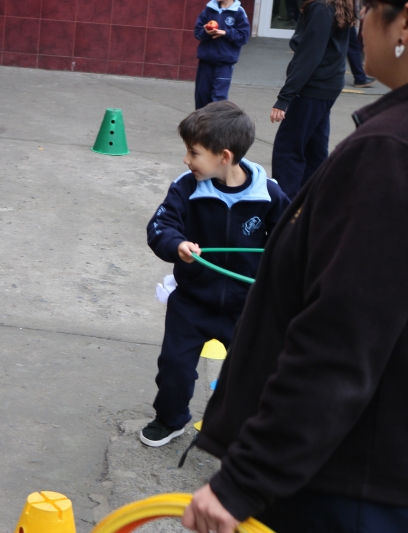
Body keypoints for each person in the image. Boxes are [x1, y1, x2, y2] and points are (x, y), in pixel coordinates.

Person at [182, 0, 408, 531]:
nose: (361, 21)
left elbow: (341, 335)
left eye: (371, 7)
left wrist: (246, 479)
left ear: (404, 24)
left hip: (351, 480)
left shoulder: (388, 151)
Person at [141, 101, 289, 447]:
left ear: (224, 156)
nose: (186, 160)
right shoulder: (186, 188)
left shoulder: (267, 193)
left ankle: (244, 430)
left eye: (194, 153)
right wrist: (177, 244)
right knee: (174, 366)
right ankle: (170, 419)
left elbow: (290, 238)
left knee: (252, 373)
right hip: (192, 301)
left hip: (246, 304)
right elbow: (160, 226)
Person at [269, 0, 357, 200]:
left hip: (314, 86)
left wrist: (284, 97)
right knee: (314, 148)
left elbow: (309, 54)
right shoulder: (337, 4)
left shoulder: (321, 8)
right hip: (328, 84)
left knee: (288, 149)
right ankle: (311, 202)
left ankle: (284, 206)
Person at [193, 0, 251, 109]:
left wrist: (226, 33)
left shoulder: (238, 12)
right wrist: (206, 32)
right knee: (202, 95)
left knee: (219, 98)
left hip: (225, 63)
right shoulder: (209, 9)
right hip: (205, 61)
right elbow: (197, 33)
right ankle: (201, 119)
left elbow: (243, 37)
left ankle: (216, 120)